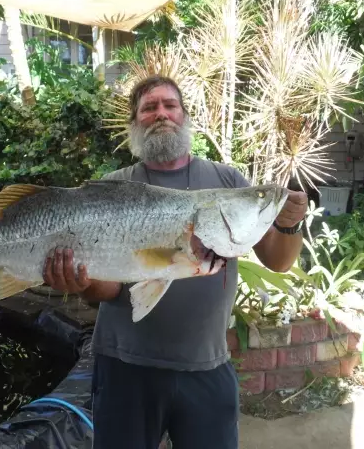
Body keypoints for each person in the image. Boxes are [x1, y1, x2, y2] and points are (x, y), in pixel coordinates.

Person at [42, 75, 307, 449]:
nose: (161, 114)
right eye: (149, 108)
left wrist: (289, 223)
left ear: (184, 116)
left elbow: (277, 262)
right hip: (125, 369)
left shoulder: (226, 182)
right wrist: (82, 281)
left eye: (170, 105)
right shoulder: (111, 188)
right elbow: (111, 288)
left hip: (206, 367)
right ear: (135, 124)